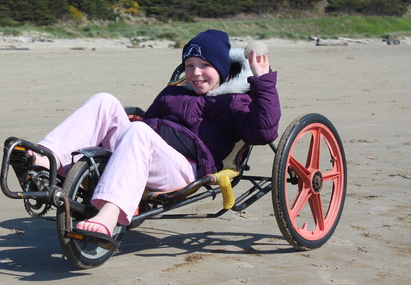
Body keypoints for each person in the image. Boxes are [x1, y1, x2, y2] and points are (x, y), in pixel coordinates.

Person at [24, 29, 280, 249]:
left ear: (221, 69)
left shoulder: (237, 101)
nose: (196, 73)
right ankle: (43, 162)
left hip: (185, 168)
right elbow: (150, 120)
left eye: (204, 66)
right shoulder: (174, 92)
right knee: (105, 101)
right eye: (189, 65)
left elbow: (263, 132)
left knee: (139, 132)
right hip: (144, 150)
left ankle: (109, 215)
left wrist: (262, 81)